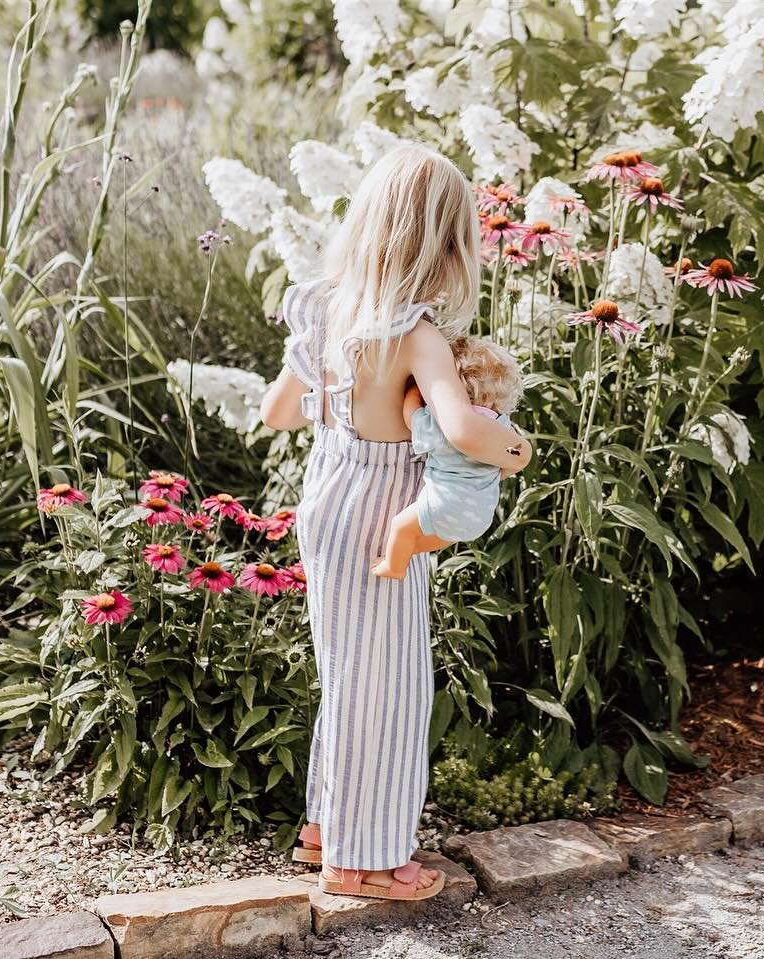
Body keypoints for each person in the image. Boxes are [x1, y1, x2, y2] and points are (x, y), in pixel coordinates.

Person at [260, 144, 532, 901]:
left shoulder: (323, 306)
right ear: (447, 245)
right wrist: (515, 448)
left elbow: (276, 411)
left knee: (347, 675)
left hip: (329, 495)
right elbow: (465, 429)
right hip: (385, 510)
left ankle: (325, 827)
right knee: (388, 686)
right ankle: (362, 859)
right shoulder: (418, 335)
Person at [373, 336, 525, 580]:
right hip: (481, 516)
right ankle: (407, 550)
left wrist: (416, 387)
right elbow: (509, 462)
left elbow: (410, 416)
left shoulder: (446, 424)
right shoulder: (502, 425)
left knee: (400, 527)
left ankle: (394, 566)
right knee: (441, 538)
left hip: (443, 505)